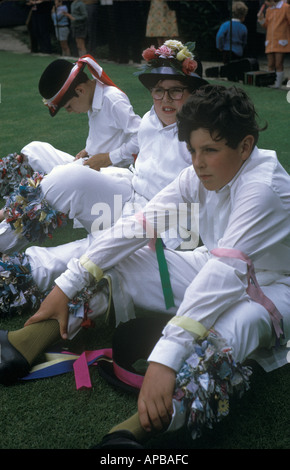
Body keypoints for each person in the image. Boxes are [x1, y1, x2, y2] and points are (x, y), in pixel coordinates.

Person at [1, 84, 290, 449]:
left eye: (210, 151)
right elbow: (138, 224)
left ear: (246, 146)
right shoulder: (197, 173)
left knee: (235, 326)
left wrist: (164, 360)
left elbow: (226, 273)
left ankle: (138, 432)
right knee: (120, 257)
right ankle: (26, 342)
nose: (198, 162)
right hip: (212, 265)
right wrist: (66, 286)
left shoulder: (262, 187)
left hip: (274, 290)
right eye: (193, 150)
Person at [0, 39, 206, 326]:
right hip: (130, 195)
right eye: (158, 91)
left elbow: (194, 211)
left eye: (175, 91)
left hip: (161, 227)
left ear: (192, 92)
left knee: (81, 255)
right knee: (66, 176)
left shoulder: (201, 139)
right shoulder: (150, 119)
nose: (165, 99)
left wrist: (108, 159)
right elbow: (140, 162)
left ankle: (15, 278)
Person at [0, 53, 141, 252]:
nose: (70, 111)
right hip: (92, 164)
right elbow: (106, 137)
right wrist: (89, 150)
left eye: (68, 106)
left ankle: (5, 226)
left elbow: (141, 137)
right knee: (35, 150)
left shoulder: (113, 99)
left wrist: (109, 158)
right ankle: (7, 207)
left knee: (52, 183)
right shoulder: (94, 99)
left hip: (112, 176)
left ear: (80, 90)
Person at [258, 0, 290, 88]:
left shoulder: (285, 7)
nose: (265, 3)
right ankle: (270, 82)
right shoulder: (269, 10)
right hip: (270, 41)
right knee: (270, 64)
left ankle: (278, 85)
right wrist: (261, 19)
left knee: (278, 64)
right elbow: (267, 25)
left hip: (281, 41)